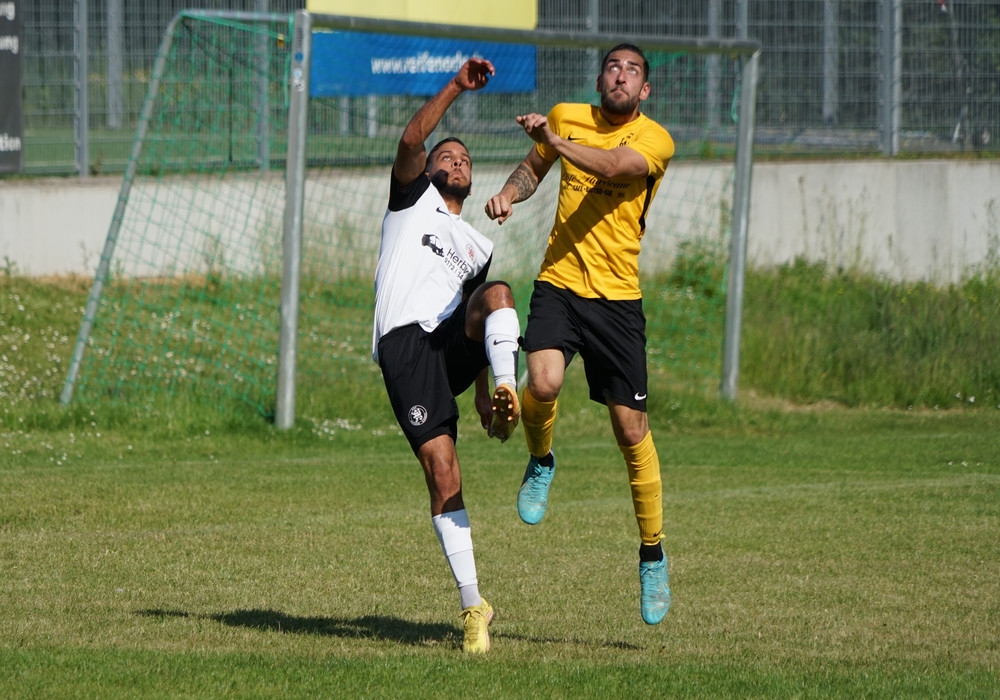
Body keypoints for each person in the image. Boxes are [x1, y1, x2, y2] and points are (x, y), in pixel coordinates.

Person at [484, 44, 674, 625]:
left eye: (633, 71)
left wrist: (554, 140)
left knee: (630, 430)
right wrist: (510, 193)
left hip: (618, 302)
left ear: (644, 90)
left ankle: (652, 553)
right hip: (560, 285)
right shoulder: (567, 116)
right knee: (541, 383)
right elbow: (533, 167)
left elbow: (612, 167)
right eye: (613, 67)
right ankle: (541, 460)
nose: (621, 75)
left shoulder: (655, 141)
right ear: (599, 78)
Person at [372, 57, 521, 653]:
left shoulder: (478, 245)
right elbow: (412, 138)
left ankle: (510, 390)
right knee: (443, 472)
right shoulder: (411, 200)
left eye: (464, 159)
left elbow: (475, 318)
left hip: (449, 346)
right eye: (446, 157)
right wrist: (457, 85)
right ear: (429, 172)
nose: (456, 162)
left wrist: (484, 391)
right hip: (406, 346)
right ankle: (474, 604)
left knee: (498, 294)